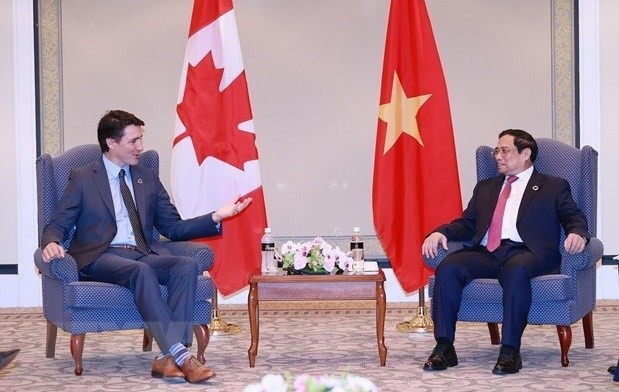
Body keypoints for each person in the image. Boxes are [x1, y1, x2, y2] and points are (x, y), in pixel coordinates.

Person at [40, 110, 252, 383]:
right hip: (100, 255)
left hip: (141, 252)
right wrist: (51, 242)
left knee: (185, 266)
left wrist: (216, 216)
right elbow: (58, 222)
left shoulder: (146, 176)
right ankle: (183, 355)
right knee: (141, 273)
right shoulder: (83, 177)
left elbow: (173, 228)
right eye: (133, 141)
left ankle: (167, 359)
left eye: (141, 139)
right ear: (111, 143)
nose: (141, 147)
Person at [421, 129, 589, 375]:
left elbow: (573, 216)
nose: (498, 156)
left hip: (529, 251)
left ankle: (510, 350)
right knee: (449, 268)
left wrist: (577, 233)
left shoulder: (552, 186)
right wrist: (441, 233)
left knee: (516, 270)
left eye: (505, 150)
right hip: (488, 252)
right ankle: (444, 347)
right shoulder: (486, 187)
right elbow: (467, 223)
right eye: (496, 150)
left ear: (525, 154)